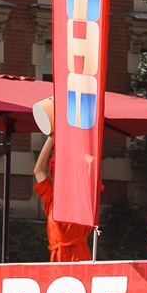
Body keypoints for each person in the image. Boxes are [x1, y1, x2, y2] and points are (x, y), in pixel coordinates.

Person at [28, 100, 95, 264]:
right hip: (58, 259)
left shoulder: (83, 191)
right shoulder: (53, 195)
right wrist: (52, 136)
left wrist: (71, 143)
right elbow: (38, 170)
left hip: (79, 257)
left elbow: (90, 161)